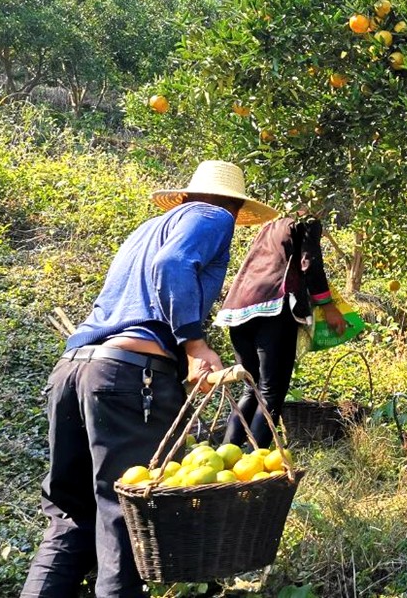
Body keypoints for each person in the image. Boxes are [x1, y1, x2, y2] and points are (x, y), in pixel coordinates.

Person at [21, 160, 277, 598]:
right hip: (127, 376)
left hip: (74, 370)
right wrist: (193, 345)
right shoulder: (214, 216)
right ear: (235, 206)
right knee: (127, 513)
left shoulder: (147, 229)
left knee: (71, 515)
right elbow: (173, 264)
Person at [216, 213, 347, 449]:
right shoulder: (307, 220)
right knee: (270, 391)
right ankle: (255, 462)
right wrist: (328, 305)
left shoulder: (269, 225)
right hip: (273, 307)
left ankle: (227, 455)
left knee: (251, 386)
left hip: (237, 309)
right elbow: (310, 263)